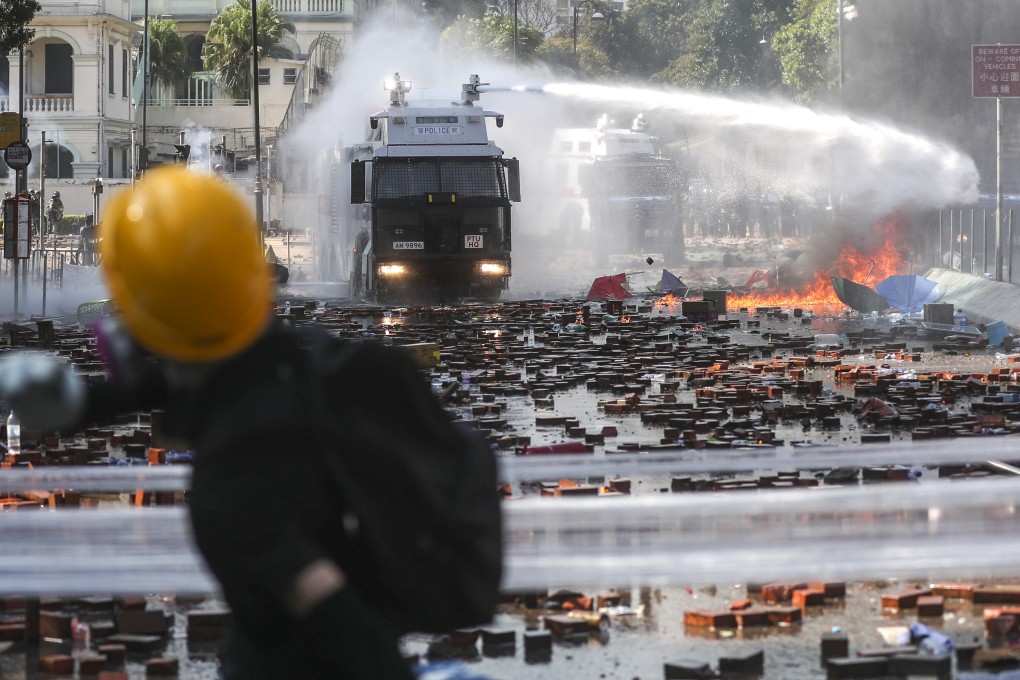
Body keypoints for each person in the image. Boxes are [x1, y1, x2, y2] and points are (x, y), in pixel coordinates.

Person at [0, 167, 416, 680]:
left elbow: (340, 619)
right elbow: (176, 381)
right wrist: (82, 404)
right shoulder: (284, 359)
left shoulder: (238, 488)